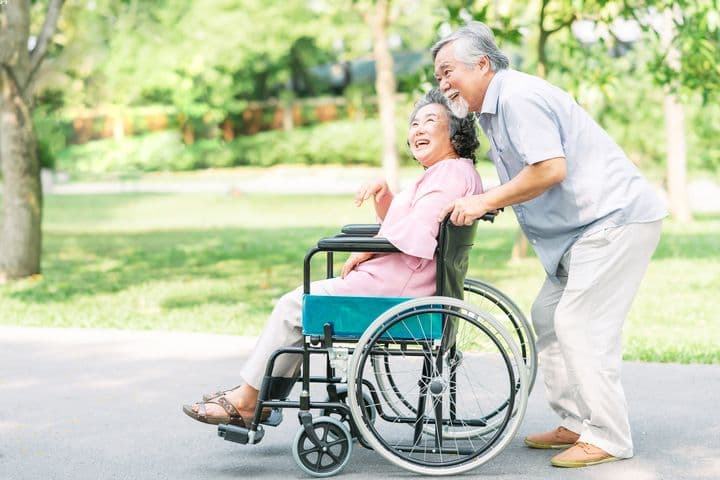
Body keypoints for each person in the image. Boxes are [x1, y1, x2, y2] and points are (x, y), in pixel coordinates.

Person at [431, 22, 667, 468]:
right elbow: (529, 177)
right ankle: (577, 422)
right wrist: (490, 201)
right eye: (438, 76)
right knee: (548, 317)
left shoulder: (518, 98)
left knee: (579, 324)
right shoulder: (493, 110)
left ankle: (610, 436)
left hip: (611, 220)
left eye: (448, 71)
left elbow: (549, 170)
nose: (442, 83)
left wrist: (485, 198)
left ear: (482, 64)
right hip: (581, 232)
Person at [183, 89, 483, 427]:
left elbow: (416, 233)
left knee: (293, 306)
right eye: (414, 123)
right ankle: (257, 395)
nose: (418, 129)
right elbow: (409, 225)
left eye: (431, 121)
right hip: (400, 281)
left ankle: (251, 399)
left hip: (396, 291)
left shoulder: (449, 175)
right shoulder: (448, 173)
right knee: (300, 305)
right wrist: (384, 196)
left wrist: (365, 250)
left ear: (456, 132)